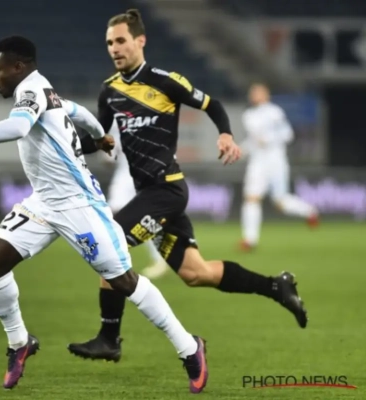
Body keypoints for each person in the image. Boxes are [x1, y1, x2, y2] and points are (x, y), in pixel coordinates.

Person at [0, 36, 209, 394]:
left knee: (123, 281)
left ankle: (189, 348)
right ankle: (19, 343)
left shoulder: (31, 91)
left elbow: (18, 127)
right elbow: (75, 110)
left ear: (18, 67)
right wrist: (101, 136)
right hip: (43, 203)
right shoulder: (42, 89)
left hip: (80, 205)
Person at [67, 9, 308, 363]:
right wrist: (70, 143)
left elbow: (212, 104)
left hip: (167, 190)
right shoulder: (110, 90)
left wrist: (225, 134)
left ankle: (109, 338)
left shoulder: (166, 81)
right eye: (109, 43)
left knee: (110, 242)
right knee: (197, 273)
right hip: (149, 194)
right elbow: (100, 138)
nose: (114, 48)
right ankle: (277, 287)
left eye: (120, 40)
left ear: (140, 41)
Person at [239, 83, 319, 251]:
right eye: (253, 92)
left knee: (280, 202)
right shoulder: (248, 116)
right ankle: (250, 240)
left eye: (258, 92)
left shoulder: (274, 113)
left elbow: (288, 134)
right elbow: (253, 141)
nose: (254, 95)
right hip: (257, 162)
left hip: (276, 161)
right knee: (251, 198)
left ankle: (309, 211)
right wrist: (241, 150)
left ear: (266, 95)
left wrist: (268, 140)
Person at [104, 123, 169, 279]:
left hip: (142, 173)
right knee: (113, 213)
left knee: (141, 215)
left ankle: (159, 258)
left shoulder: (144, 117)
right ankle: (117, 260)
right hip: (124, 174)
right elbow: (111, 153)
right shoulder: (114, 120)